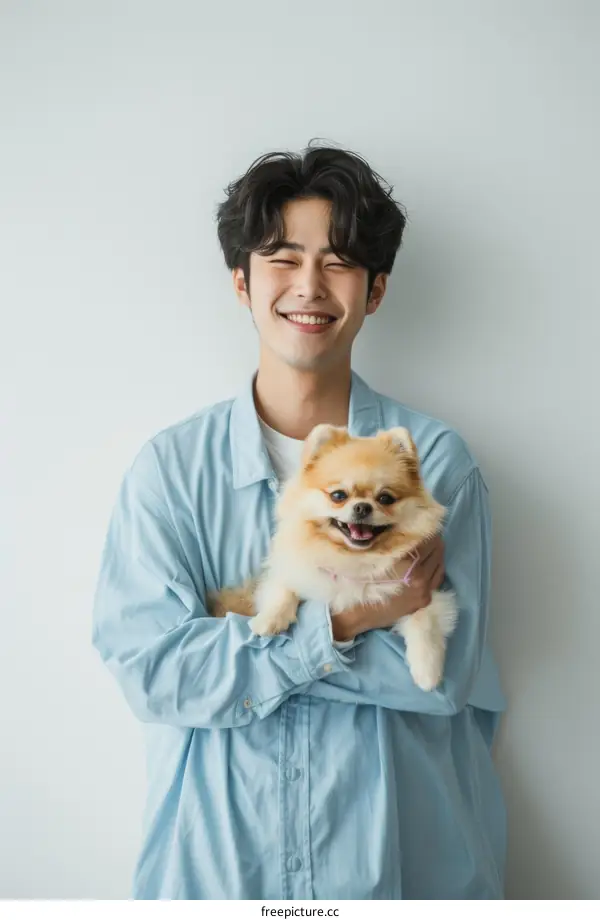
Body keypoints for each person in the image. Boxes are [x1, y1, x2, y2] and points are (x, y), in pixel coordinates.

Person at [92, 143, 506, 900]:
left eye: (339, 261)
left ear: (375, 290)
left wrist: (246, 654)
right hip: (217, 877)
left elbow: (441, 681)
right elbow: (154, 675)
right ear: (242, 283)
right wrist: (351, 625)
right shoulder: (173, 471)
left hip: (400, 875)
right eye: (283, 259)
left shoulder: (437, 465)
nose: (309, 286)